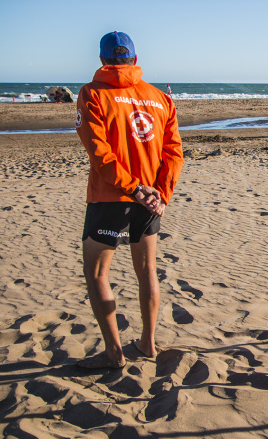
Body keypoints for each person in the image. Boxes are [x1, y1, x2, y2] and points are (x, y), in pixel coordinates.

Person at [75, 31, 185, 369]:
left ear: (102, 60)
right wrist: (160, 195)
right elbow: (174, 153)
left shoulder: (92, 93)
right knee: (147, 270)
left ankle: (114, 353)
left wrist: (136, 189)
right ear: (134, 60)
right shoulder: (159, 97)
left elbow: (100, 154)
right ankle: (148, 344)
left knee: (97, 274)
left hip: (114, 195)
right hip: (150, 198)